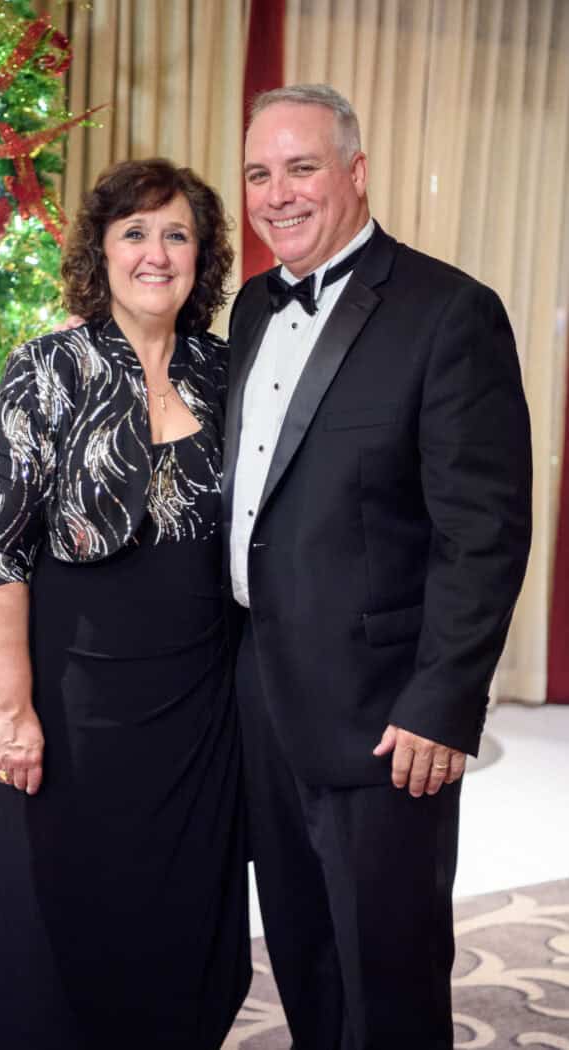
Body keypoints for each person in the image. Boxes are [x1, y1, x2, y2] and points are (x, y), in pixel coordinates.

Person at [225, 84, 532, 1050]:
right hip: (260, 695)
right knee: (306, 959)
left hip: (382, 715)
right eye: (259, 173)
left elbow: (482, 531)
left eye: (302, 167)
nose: (278, 195)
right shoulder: (248, 310)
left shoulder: (450, 313)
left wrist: (442, 702)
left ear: (355, 174)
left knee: (388, 972)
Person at [0, 158, 251, 1050]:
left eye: (177, 234)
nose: (156, 253)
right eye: (135, 232)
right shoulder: (45, 369)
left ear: (202, 257)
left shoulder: (229, 370)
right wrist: (15, 713)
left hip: (202, 706)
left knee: (184, 922)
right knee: (68, 923)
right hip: (74, 701)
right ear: (102, 252)